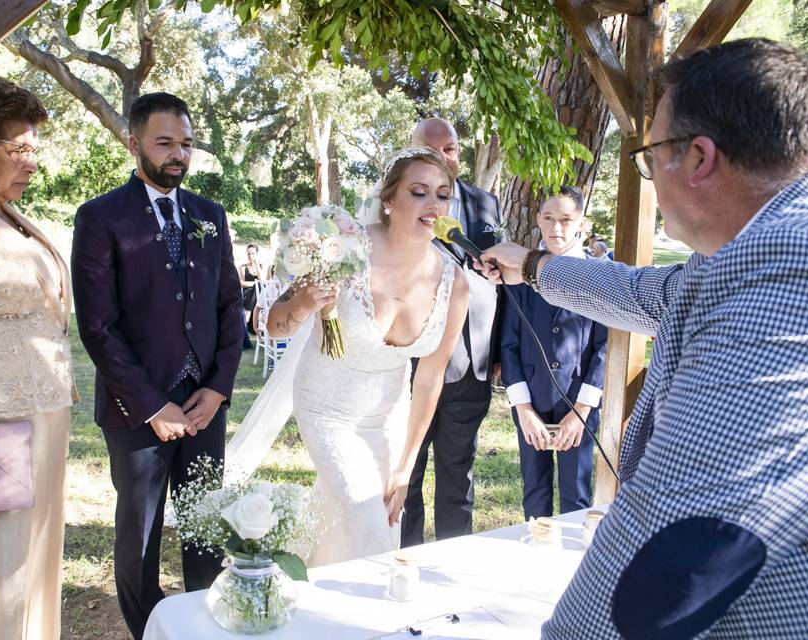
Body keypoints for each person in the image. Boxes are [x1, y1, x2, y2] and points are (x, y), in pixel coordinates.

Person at [479, 39, 808, 639]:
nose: (650, 176)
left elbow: (672, 533)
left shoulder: (806, 265)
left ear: (697, 158)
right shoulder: (781, 241)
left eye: (650, 156)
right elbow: (650, 296)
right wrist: (533, 266)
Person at [229, 147, 470, 566]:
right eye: (418, 192)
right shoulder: (340, 248)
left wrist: (406, 465)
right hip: (327, 407)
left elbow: (429, 378)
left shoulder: (456, 282)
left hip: (389, 418)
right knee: (367, 517)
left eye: (442, 194)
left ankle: (305, 598)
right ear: (389, 201)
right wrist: (304, 303)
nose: (433, 204)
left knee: (376, 521)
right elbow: (269, 324)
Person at [71, 92, 243, 639]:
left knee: (203, 529)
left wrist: (216, 390)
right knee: (139, 535)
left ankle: (202, 623)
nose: (178, 154)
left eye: (186, 144)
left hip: (204, 407)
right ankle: (149, 628)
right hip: (137, 411)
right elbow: (98, 326)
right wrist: (151, 405)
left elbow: (229, 308)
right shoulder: (100, 218)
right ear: (135, 143)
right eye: (165, 142)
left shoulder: (210, 216)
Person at [0, 76, 77, 640]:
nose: (31, 165)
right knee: (8, 555)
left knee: (39, 546)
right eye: (18, 150)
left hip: (46, 416)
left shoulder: (8, 215)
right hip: (2, 421)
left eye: (33, 151)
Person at [401, 118, 502, 546]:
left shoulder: (485, 204)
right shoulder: (402, 205)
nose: (444, 157)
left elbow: (501, 286)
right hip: (412, 363)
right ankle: (403, 563)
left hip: (472, 365)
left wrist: (499, 353)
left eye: (451, 149)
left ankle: (451, 571)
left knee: (458, 476)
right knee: (408, 475)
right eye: (431, 149)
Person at [500, 187, 607, 519]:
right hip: (532, 401)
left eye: (566, 220)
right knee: (535, 491)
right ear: (537, 219)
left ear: (582, 224)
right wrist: (523, 409)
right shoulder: (519, 274)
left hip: (578, 405)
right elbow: (509, 344)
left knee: (577, 494)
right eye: (549, 218)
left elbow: (603, 347)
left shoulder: (598, 274)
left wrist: (582, 410)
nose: (556, 228)